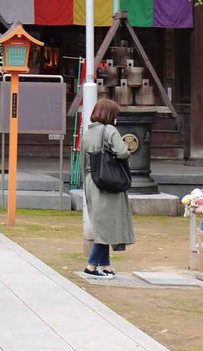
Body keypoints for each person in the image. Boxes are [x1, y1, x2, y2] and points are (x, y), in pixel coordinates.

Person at [80, 98, 135, 277]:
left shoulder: (87, 133)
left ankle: (106, 266)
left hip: (91, 180)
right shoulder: (110, 130)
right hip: (108, 180)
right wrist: (127, 147)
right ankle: (91, 265)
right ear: (110, 115)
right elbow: (122, 152)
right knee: (107, 225)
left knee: (102, 223)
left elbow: (82, 161)